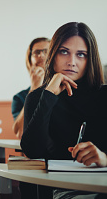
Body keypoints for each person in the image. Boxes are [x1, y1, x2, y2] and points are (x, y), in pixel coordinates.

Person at [21, 22, 107, 199]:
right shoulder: (37, 97)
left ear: (90, 59)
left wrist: (105, 159)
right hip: (64, 189)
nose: (71, 62)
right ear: (53, 55)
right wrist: (49, 95)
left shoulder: (104, 95)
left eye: (81, 55)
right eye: (64, 51)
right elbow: (32, 151)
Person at [12, 37, 50, 139]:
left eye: (46, 51)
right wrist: (34, 88)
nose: (41, 55)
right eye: (36, 52)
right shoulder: (19, 97)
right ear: (30, 60)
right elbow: (21, 133)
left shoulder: (66, 89)